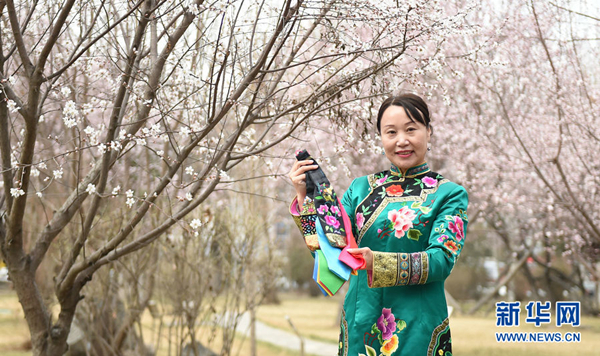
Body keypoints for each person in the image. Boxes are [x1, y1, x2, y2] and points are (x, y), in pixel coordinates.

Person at [288, 93, 468, 356]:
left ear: (428, 132)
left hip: (419, 329)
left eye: (411, 129)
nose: (402, 141)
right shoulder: (360, 190)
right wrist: (304, 195)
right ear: (381, 137)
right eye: (391, 132)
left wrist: (378, 262)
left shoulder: (449, 194)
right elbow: (328, 251)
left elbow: (442, 260)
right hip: (361, 323)